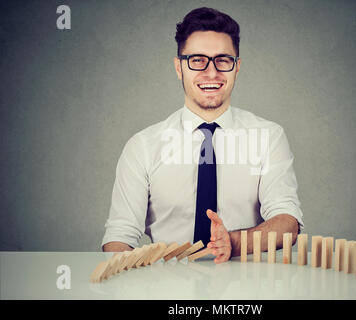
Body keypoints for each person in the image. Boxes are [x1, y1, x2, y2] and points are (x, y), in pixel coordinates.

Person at [102, 7, 304, 264]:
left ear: (237, 67)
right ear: (179, 67)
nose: (211, 72)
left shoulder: (269, 137)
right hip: (168, 289)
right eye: (197, 60)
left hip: (245, 290)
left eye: (223, 60)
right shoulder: (142, 146)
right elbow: (120, 234)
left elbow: (287, 221)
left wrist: (230, 242)